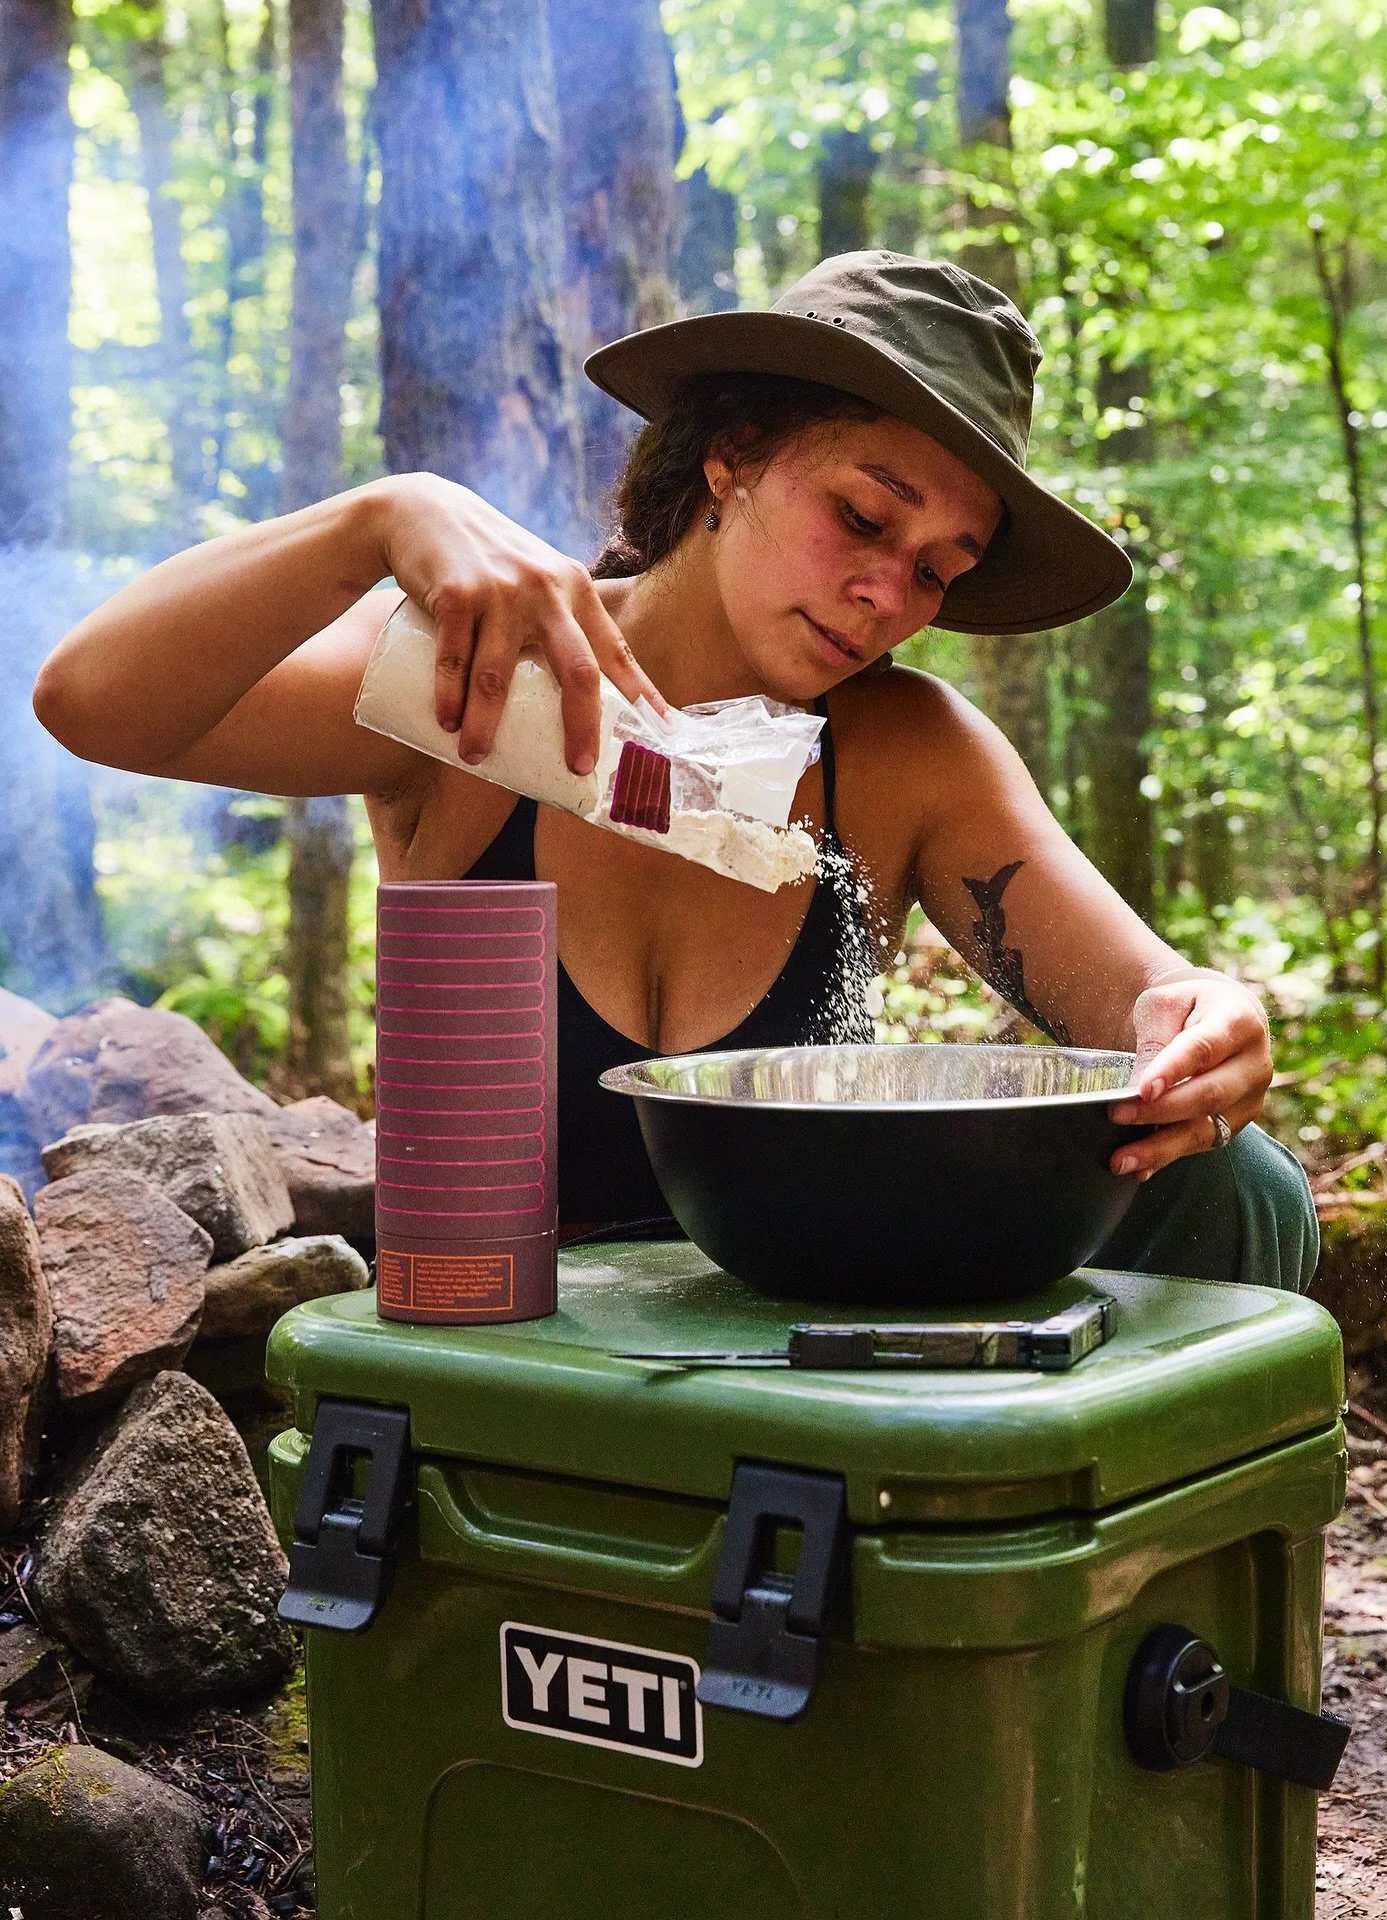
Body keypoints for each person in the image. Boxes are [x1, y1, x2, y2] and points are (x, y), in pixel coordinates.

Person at [34, 251, 1316, 1289]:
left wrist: (1210, 1018)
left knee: (1237, 1178)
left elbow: (1152, 1010)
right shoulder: (486, 676)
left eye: (939, 569)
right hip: (507, 1337)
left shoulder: (904, 751)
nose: (887, 591)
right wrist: (382, 516)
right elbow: (90, 702)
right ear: (735, 453)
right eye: (865, 518)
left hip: (806, 1348)